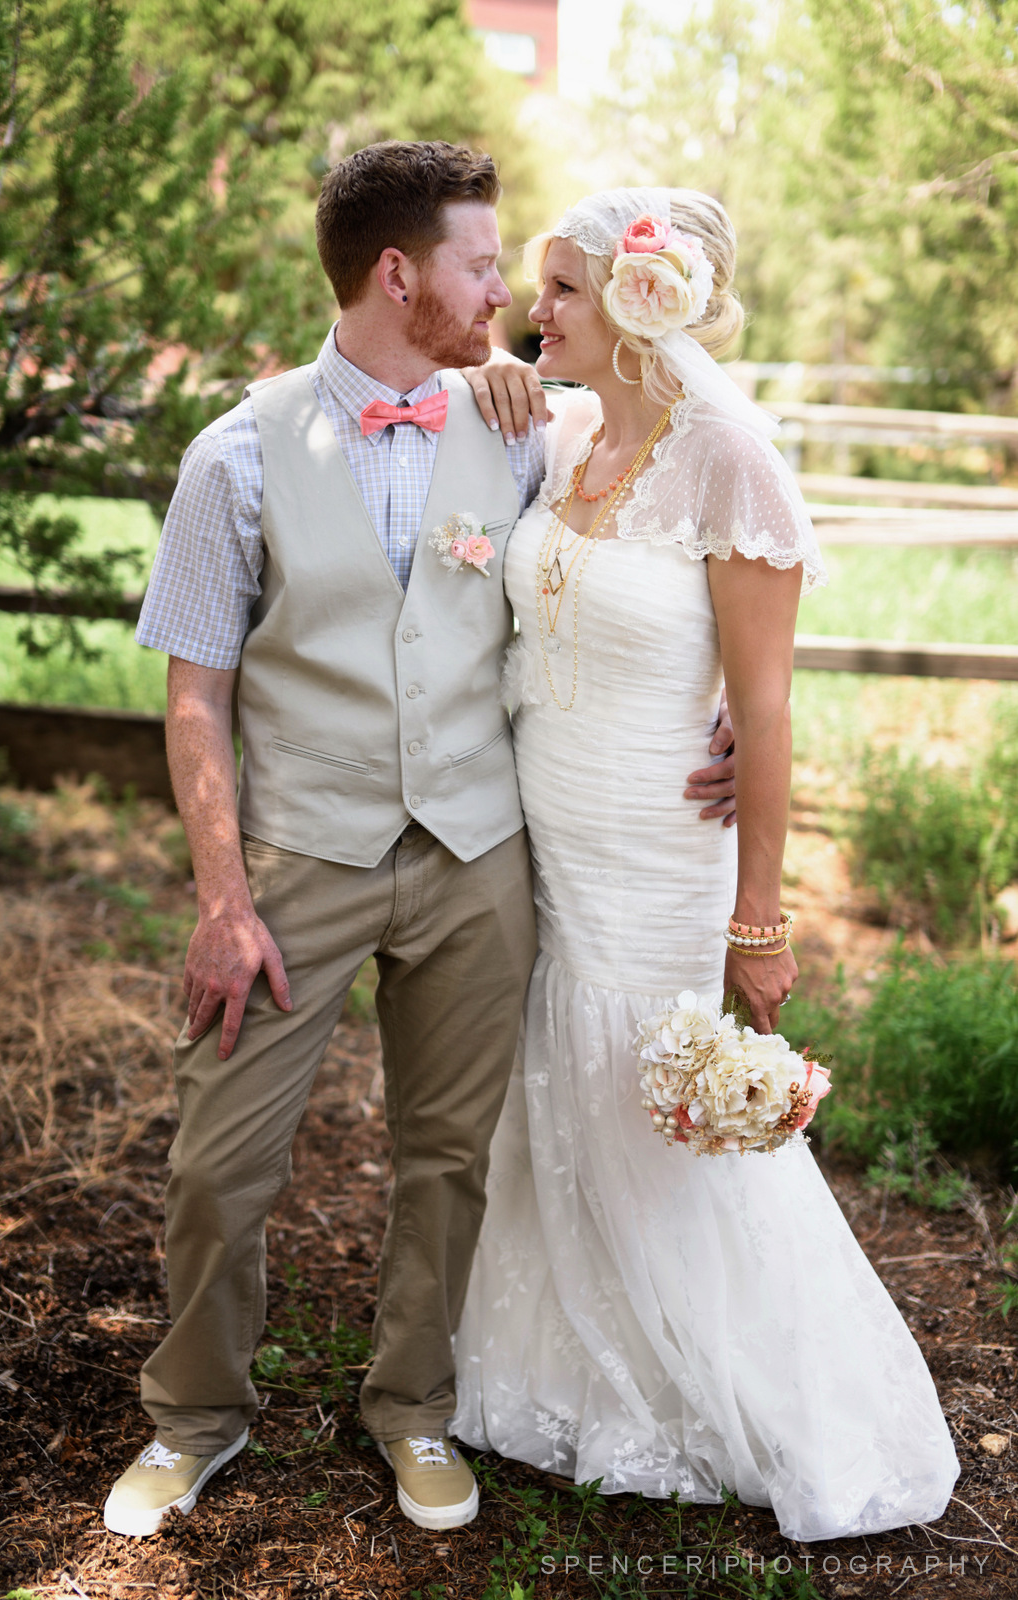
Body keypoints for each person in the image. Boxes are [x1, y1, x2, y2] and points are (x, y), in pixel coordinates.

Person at [100, 144, 737, 1540]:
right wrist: (223, 899)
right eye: (482, 266)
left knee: (452, 1155)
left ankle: (415, 1405)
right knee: (219, 1161)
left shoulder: (521, 426)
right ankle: (194, 1418)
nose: (506, 294)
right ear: (399, 274)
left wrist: (733, 705)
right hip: (300, 857)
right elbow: (196, 695)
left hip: (476, 851)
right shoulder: (234, 455)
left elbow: (668, 526)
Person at [451, 187, 960, 1542]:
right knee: (558, 1078)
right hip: (547, 831)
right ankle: (568, 1367)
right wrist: (498, 371)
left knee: (651, 1094)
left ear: (640, 302)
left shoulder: (730, 458)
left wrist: (758, 923)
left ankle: (740, 1392)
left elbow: (768, 709)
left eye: (560, 290)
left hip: (661, 845)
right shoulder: (564, 432)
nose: (534, 312)